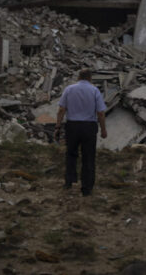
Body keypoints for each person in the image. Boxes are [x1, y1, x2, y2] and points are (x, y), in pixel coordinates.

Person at [56, 68, 107, 196]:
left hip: (72, 126)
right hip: (89, 127)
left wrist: (57, 126)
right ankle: (86, 188)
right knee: (88, 157)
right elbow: (100, 113)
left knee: (71, 154)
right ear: (90, 78)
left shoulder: (69, 89)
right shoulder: (95, 91)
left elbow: (61, 109)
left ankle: (69, 181)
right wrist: (103, 130)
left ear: (79, 77)